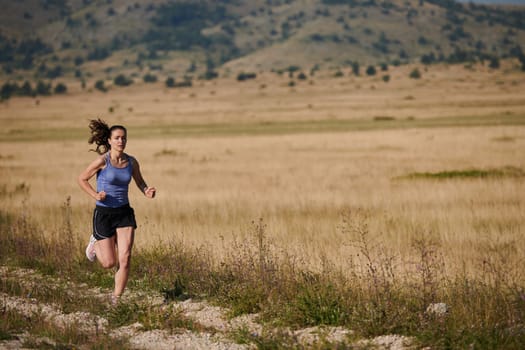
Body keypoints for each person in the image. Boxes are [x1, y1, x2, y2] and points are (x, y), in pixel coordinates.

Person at [78, 118, 156, 305]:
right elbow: (82, 179)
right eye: (117, 138)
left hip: (124, 213)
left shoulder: (131, 162)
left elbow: (139, 181)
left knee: (126, 257)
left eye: (124, 138)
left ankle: (116, 300)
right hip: (104, 214)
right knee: (108, 263)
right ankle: (94, 242)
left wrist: (146, 190)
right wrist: (95, 195)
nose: (121, 141)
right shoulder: (102, 161)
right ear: (110, 141)